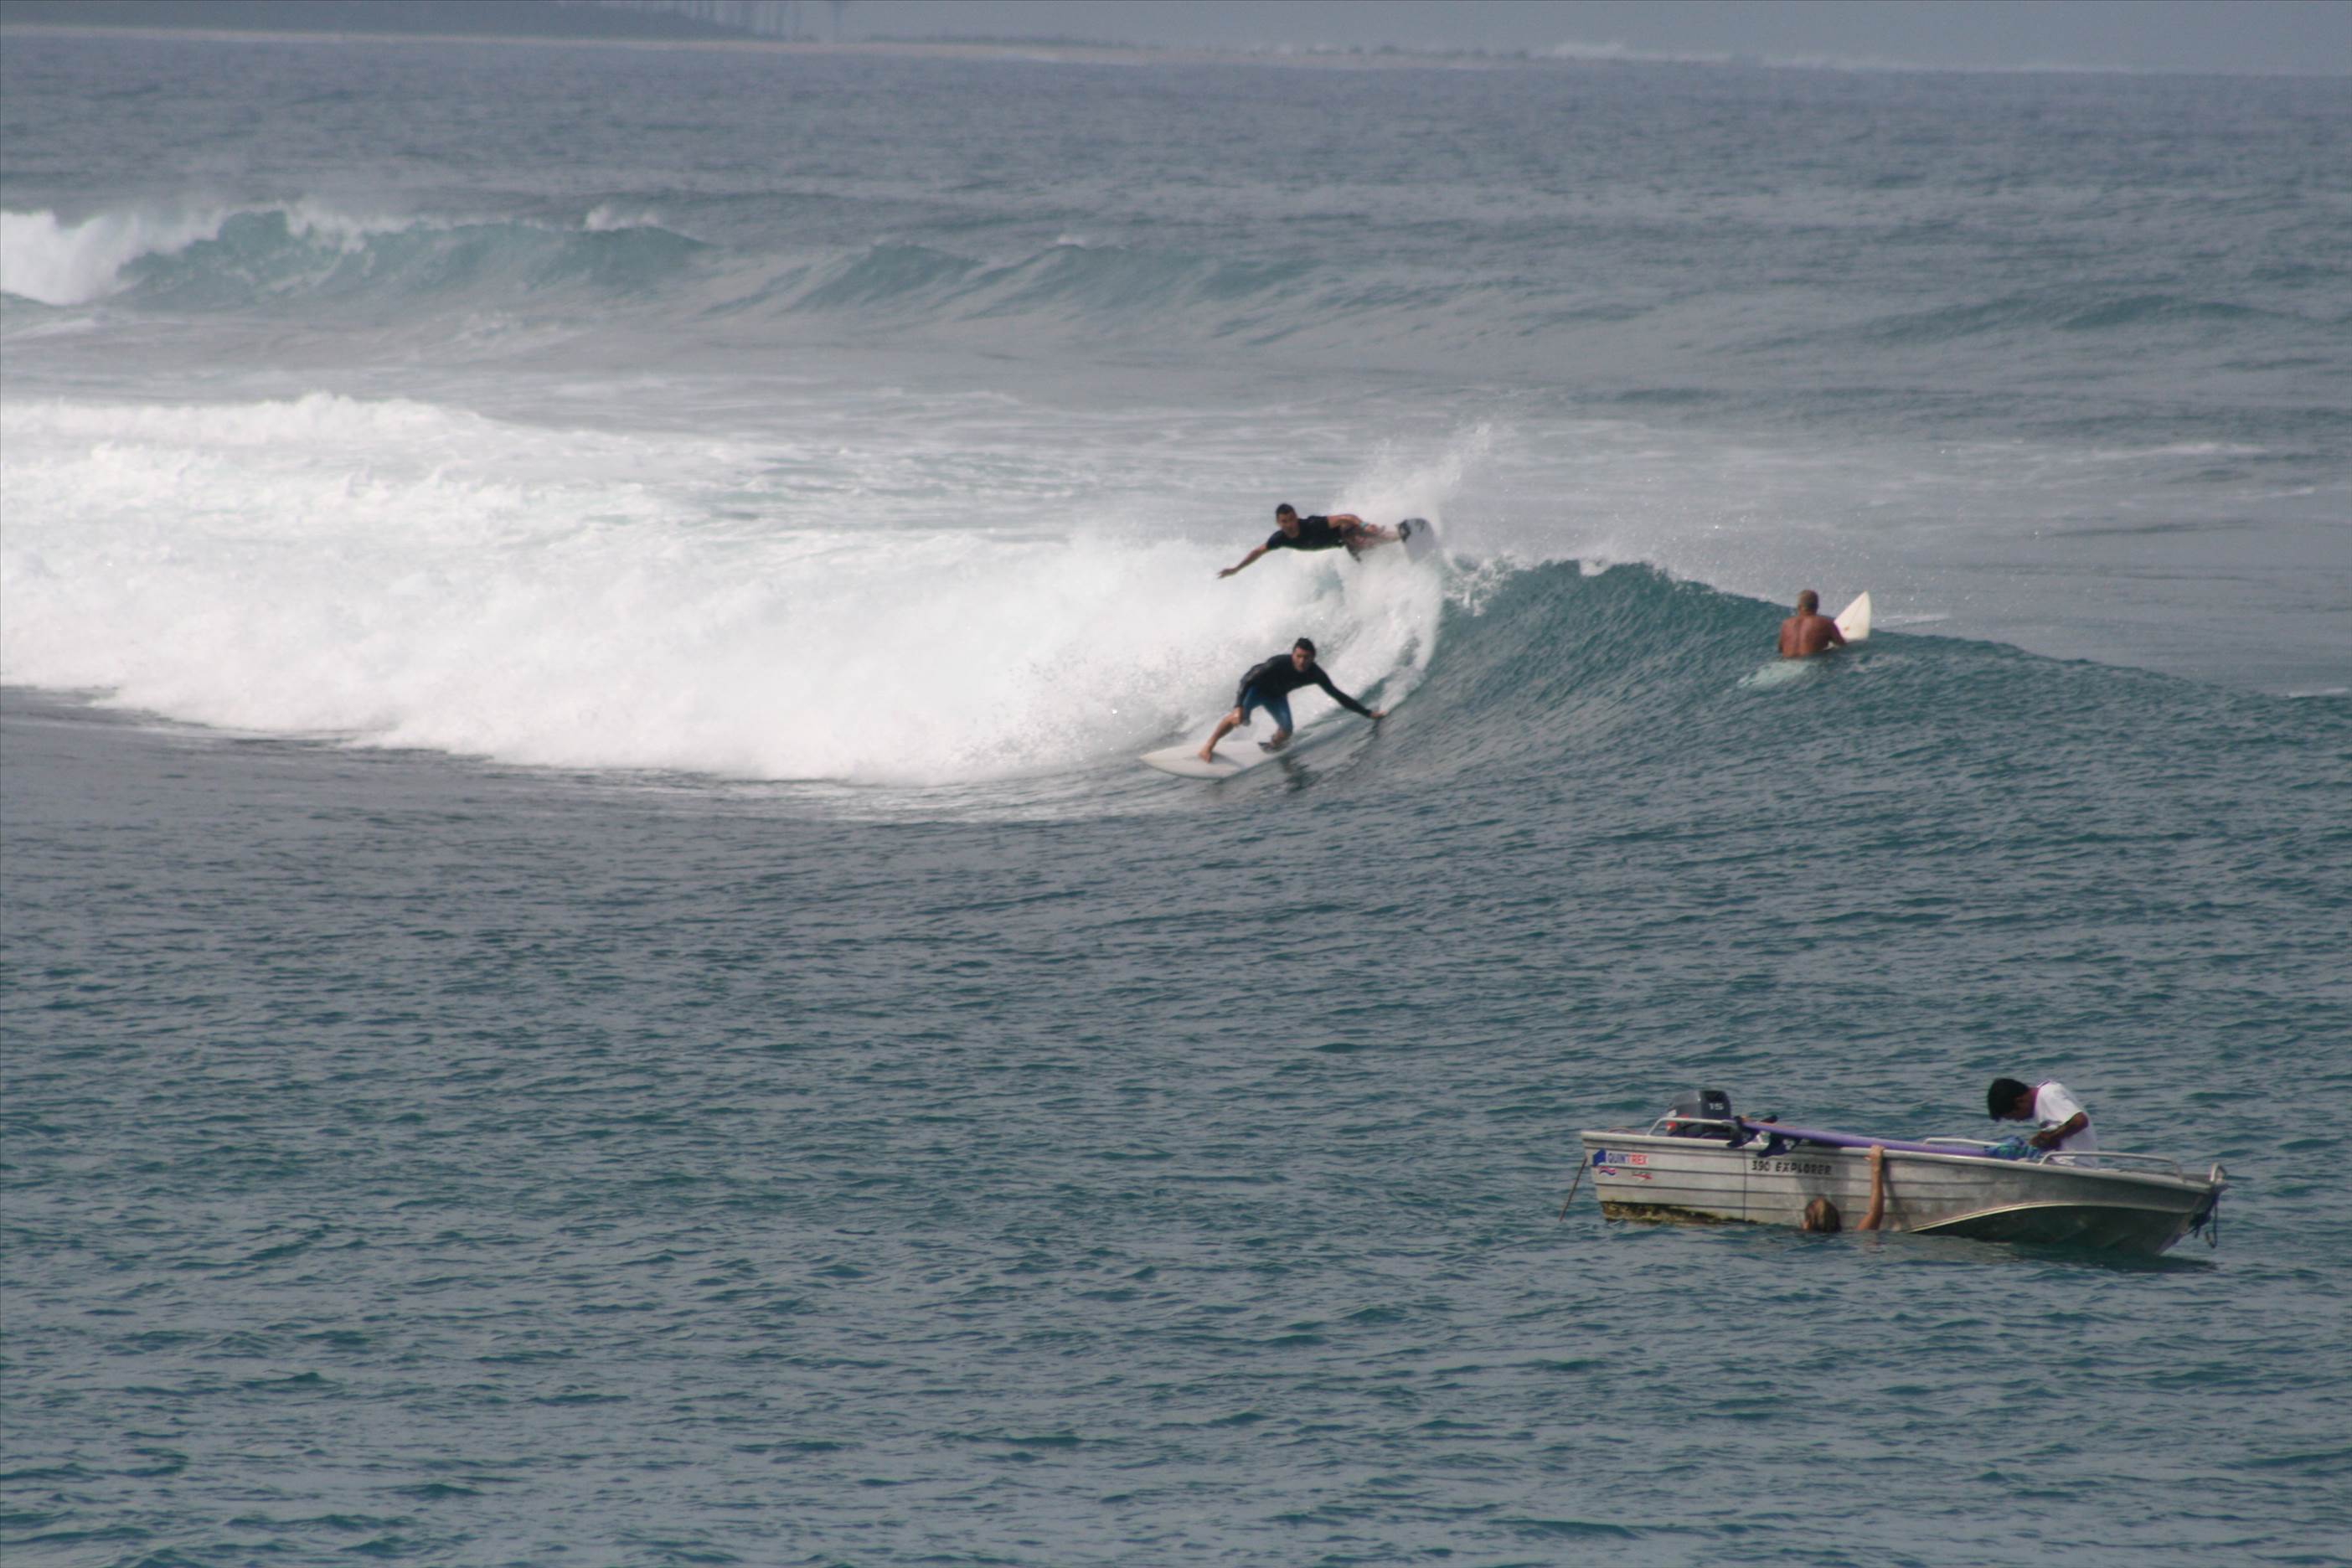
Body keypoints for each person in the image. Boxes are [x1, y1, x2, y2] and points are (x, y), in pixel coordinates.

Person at [1196, 637, 1385, 763]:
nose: (1302, 661)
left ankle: (1271, 747)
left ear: (1313, 658)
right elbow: (1248, 679)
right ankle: (1209, 746)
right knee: (1240, 719)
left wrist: (1368, 713)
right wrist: (1238, 706)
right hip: (1255, 690)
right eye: (1299, 656)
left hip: (1277, 697)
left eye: (1307, 658)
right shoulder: (1277, 663)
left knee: (1287, 731)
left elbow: (1338, 696)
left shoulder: (1316, 674)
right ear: (1293, 654)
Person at [1219, 503, 1400, 577]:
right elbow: (1257, 551)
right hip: (1345, 544)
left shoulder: (1312, 524)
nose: (1289, 524)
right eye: (1284, 521)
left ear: (1296, 517)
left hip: (1348, 532)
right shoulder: (1279, 539)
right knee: (1367, 559)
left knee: (1359, 537)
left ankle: (1398, 535)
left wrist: (1364, 524)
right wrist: (1236, 569)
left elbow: (1346, 517)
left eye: (1291, 519)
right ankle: (1396, 557)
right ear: (1278, 523)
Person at [1987, 1077, 2099, 1153]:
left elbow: (2080, 1121)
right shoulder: (2041, 1101)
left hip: (2075, 1166)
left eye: (2014, 1116)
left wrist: (2050, 1137)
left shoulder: (2048, 1095)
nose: (2018, 1121)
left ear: (2019, 1101)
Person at [1801, 1145, 1889, 1234]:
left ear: (1806, 1225)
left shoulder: (1798, 1237)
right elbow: (1875, 1213)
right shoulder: (1851, 1237)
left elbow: (1875, 1213)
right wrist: (1876, 1168)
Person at [1777, 589, 1848, 658]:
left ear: (1799, 607)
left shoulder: (1786, 624)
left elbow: (1780, 649)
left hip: (1787, 664)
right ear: (1817, 607)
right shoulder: (1826, 623)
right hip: (1811, 663)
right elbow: (1842, 646)